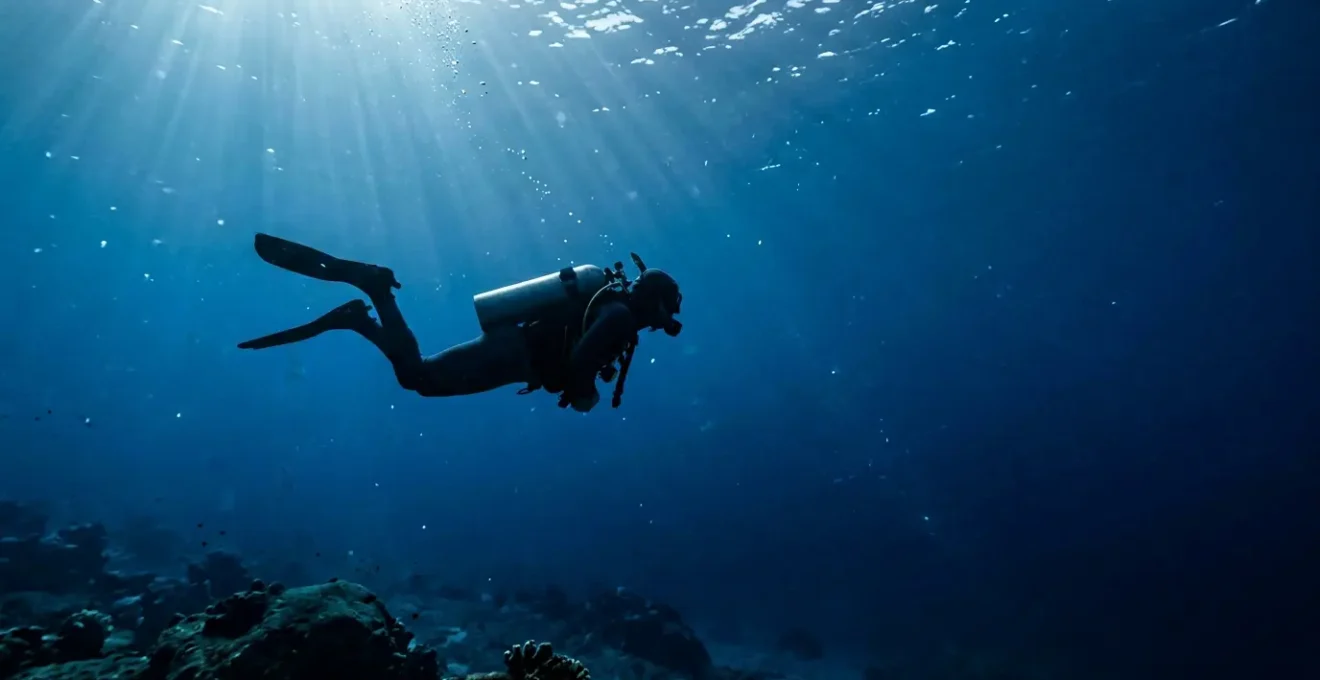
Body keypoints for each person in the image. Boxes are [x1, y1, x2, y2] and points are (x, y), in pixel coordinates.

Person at [236, 233, 683, 412]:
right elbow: (582, 359)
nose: (664, 321)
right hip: (514, 353)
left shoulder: (614, 309)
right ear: (654, 302)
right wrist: (583, 392)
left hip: (515, 351)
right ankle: (374, 292)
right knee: (420, 378)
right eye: (667, 310)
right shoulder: (620, 317)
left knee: (420, 380)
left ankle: (362, 319)